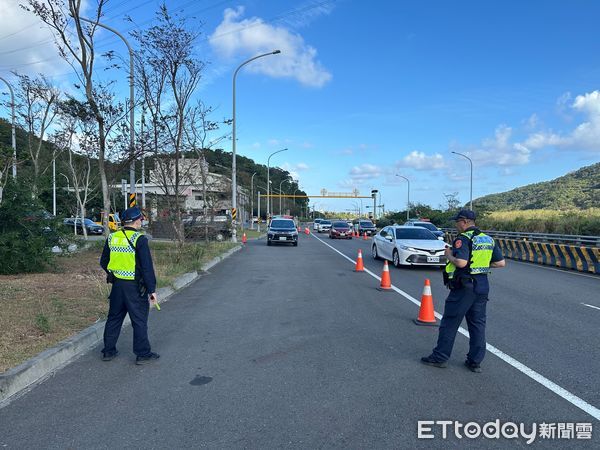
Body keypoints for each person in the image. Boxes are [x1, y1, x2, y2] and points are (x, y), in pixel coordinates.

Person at [421, 209, 505, 372]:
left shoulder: (463, 239)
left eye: (457, 222)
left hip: (465, 286)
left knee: (450, 322)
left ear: (465, 221)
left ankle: (440, 357)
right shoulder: (487, 239)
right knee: (477, 324)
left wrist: (448, 255)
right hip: (482, 285)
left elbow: (460, 262)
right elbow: (500, 263)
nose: (456, 225)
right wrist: (480, 265)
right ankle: (475, 362)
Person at [100, 206, 160, 365]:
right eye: (141, 218)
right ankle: (143, 354)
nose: (142, 221)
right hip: (135, 288)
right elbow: (147, 268)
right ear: (135, 221)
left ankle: (108, 351)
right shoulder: (140, 239)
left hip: (117, 286)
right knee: (139, 320)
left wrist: (113, 273)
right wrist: (152, 290)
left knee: (114, 318)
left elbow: (104, 261)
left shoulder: (112, 237)